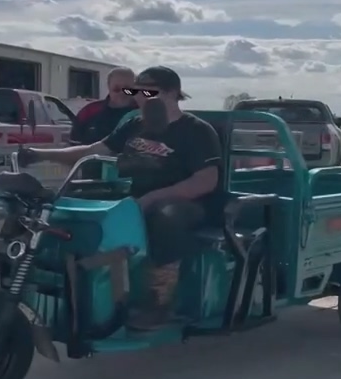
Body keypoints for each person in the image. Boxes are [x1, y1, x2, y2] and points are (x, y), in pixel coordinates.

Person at [20, 66, 223, 330]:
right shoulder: (134, 124)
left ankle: (159, 302)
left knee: (166, 215)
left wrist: (153, 197)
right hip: (135, 196)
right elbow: (93, 150)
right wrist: (40, 154)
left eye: (148, 92)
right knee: (66, 204)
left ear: (172, 93)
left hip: (189, 204)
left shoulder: (196, 130)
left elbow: (206, 180)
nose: (139, 98)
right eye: (136, 92)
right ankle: (83, 289)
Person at [69, 67, 138, 145]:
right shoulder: (89, 111)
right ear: (109, 86)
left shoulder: (142, 112)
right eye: (116, 89)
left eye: (127, 89)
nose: (122, 93)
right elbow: (74, 143)